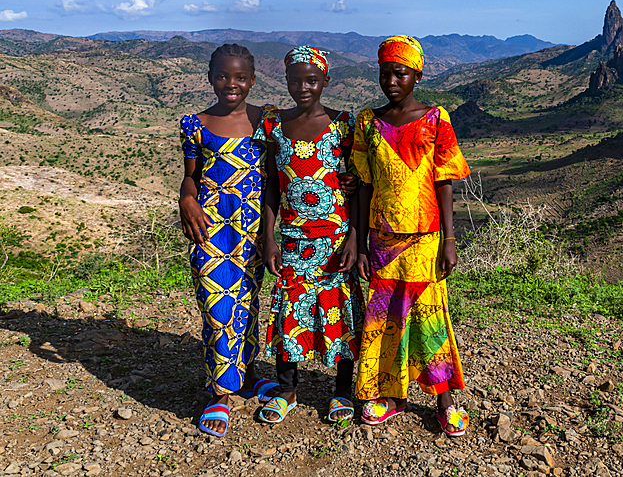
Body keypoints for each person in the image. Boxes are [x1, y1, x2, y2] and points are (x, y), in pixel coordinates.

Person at [352, 35, 472, 437]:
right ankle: (391, 395)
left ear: (417, 75)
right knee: (385, 317)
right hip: (382, 237)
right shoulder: (368, 123)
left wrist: (450, 241)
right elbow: (364, 184)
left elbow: (444, 181)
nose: (391, 81)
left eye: (400, 73)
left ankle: (444, 400)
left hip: (426, 237)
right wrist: (361, 238)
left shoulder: (437, 119)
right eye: (385, 73)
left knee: (428, 316)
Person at [256, 45, 363, 425]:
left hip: (335, 239)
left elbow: (359, 182)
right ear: (285, 81)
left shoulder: (344, 124)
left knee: (341, 314)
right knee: (289, 311)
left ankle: (341, 391)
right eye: (296, 80)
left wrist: (354, 236)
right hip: (292, 240)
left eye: (312, 80)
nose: (304, 87)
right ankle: (286, 389)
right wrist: (268, 237)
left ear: (326, 82)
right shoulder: (273, 124)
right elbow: (271, 185)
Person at [179, 43, 280, 438]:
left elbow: (279, 175)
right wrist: (186, 197)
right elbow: (191, 173)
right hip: (209, 230)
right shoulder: (194, 123)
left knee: (247, 303)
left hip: (253, 230)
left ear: (253, 80)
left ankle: (250, 374)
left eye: (240, 77)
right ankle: (219, 392)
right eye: (222, 76)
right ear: (210, 77)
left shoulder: (267, 121)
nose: (231, 84)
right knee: (217, 309)